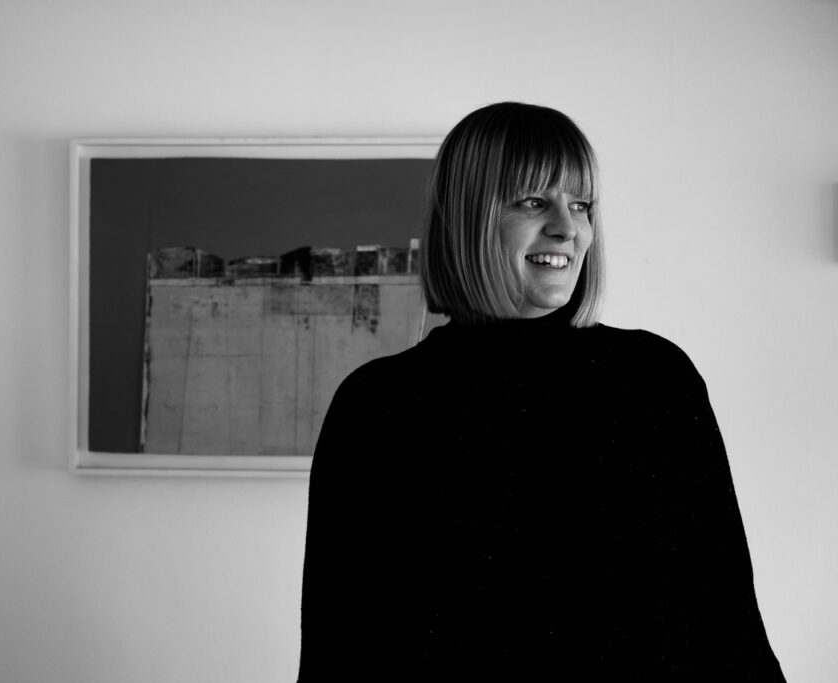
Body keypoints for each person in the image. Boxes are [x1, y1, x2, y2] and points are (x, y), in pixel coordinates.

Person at [296, 102, 786, 681]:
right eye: (533, 201)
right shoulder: (377, 405)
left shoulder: (656, 379)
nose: (567, 227)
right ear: (466, 217)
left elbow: (726, 613)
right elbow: (340, 645)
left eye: (580, 204)